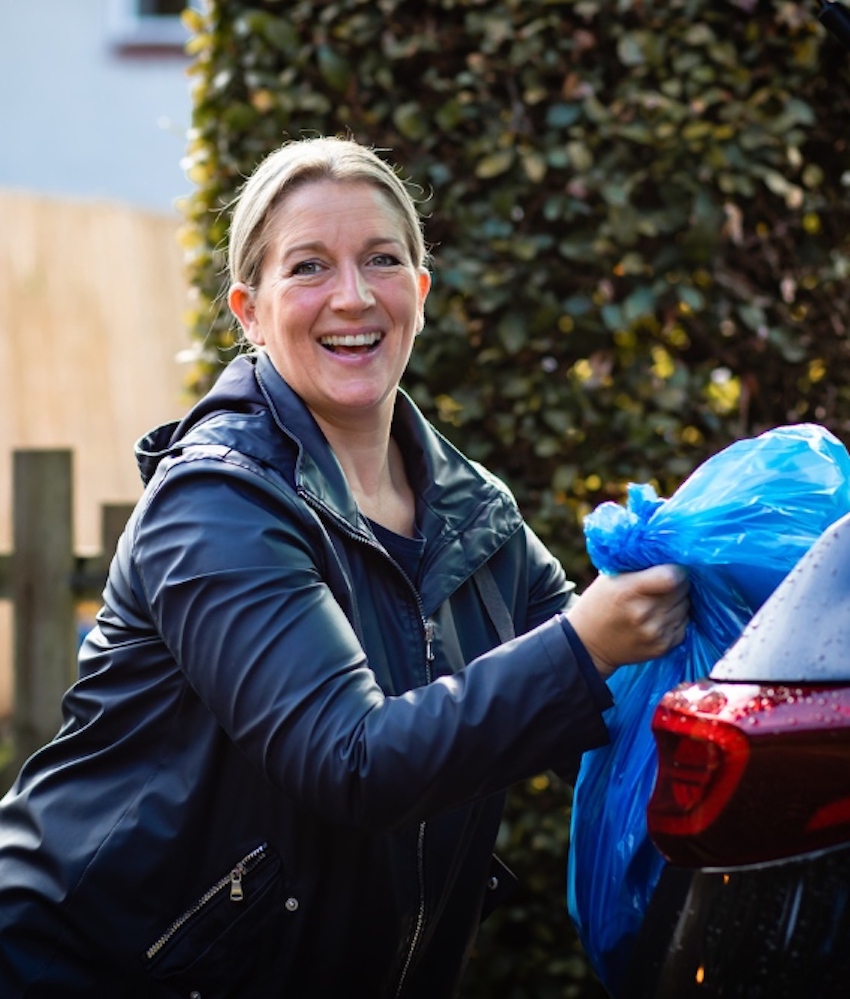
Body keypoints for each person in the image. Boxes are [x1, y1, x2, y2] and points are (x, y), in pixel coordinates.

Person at [0, 135, 689, 998]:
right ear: (248, 311)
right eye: (309, 268)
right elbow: (350, 760)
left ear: (421, 292)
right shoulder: (217, 504)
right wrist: (586, 643)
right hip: (92, 970)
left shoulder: (474, 512)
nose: (353, 297)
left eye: (381, 260)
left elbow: (614, 695)